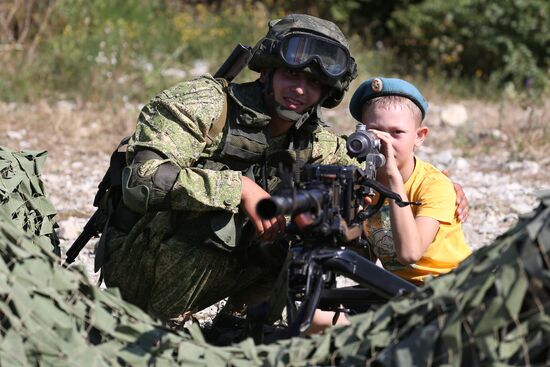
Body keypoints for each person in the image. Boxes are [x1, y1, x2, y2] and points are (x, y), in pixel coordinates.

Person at [98, 15, 468, 332]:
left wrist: (442, 184)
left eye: (314, 83)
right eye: (291, 74)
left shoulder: (311, 139)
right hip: (143, 262)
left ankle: (242, 326)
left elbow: (372, 168)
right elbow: (143, 179)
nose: (300, 89)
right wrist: (240, 189)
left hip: (211, 268)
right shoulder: (206, 104)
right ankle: (156, 325)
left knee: (307, 234)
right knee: (215, 226)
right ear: (269, 69)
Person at [349, 77, 472, 284]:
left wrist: (392, 178)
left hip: (450, 287)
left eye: (397, 133)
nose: (384, 142)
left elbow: (409, 253)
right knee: (317, 314)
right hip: (397, 289)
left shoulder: (434, 185)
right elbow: (361, 263)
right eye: (375, 132)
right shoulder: (362, 184)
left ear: (419, 136)